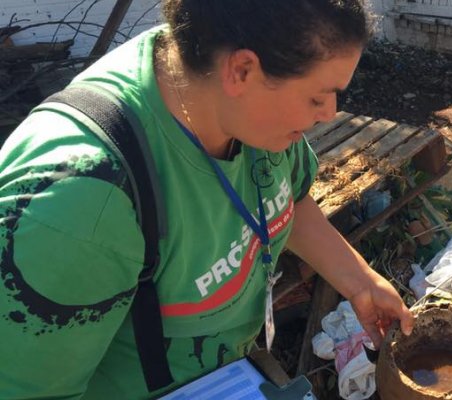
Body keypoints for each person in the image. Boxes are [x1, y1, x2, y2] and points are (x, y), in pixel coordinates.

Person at [0, 0, 413, 398]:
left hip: (232, 376)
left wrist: (360, 282)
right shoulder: (76, 202)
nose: (330, 113)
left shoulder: (229, 89)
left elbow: (288, 197)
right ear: (242, 70)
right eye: (317, 98)